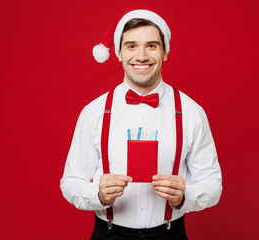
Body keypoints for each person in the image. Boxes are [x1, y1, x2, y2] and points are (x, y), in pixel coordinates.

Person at [60, 8, 222, 240]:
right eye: (132, 46)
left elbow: (213, 184)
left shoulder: (191, 112)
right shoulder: (93, 112)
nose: (142, 56)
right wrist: (98, 195)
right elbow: (70, 182)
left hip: (170, 235)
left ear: (165, 52)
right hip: (108, 234)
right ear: (119, 53)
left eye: (152, 45)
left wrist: (185, 195)